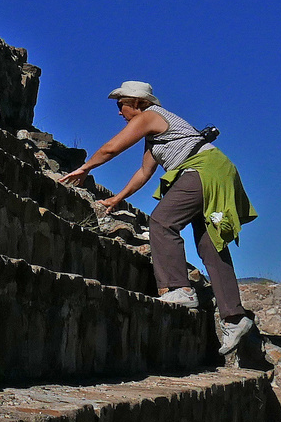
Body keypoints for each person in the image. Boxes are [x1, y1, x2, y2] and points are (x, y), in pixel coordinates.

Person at [61, 81, 257, 355]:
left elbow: (111, 148)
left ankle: (179, 289)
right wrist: (118, 198)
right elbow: (144, 172)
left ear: (138, 103)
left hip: (203, 170)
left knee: (162, 221)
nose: (119, 113)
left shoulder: (150, 117)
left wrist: (84, 168)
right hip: (216, 170)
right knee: (211, 247)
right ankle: (235, 318)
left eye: (121, 105)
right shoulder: (155, 134)